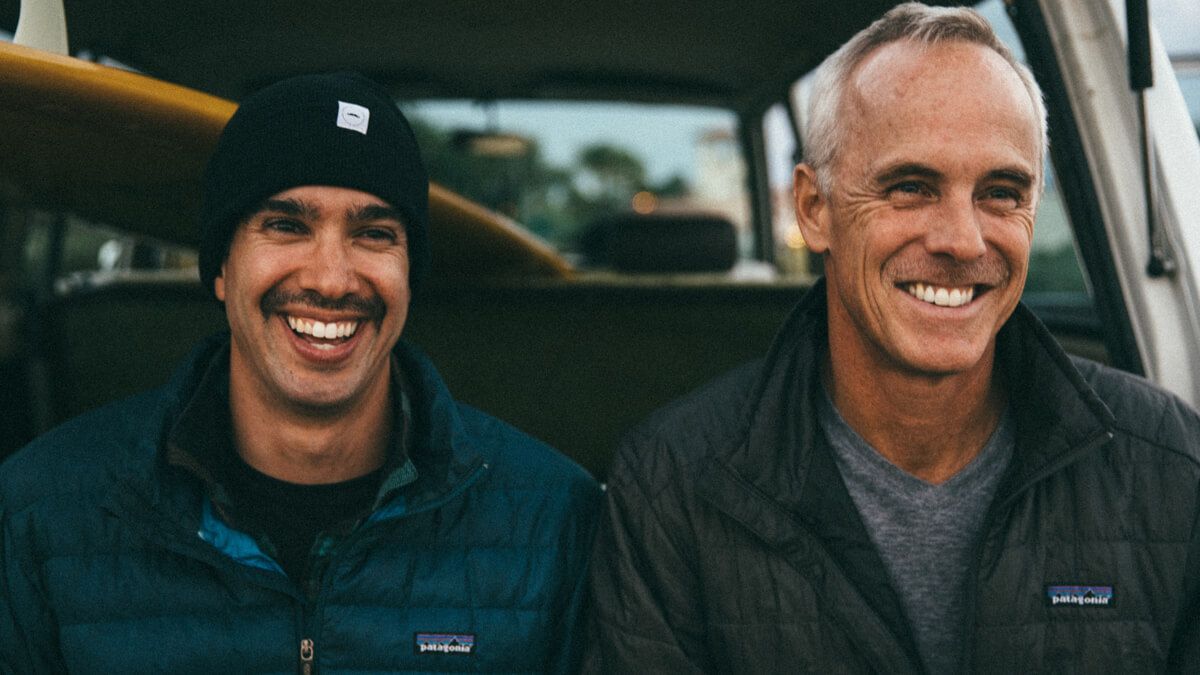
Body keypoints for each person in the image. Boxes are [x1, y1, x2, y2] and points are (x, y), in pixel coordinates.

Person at [585, 3, 1200, 672]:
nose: (963, 241)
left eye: (1001, 191)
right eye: (910, 187)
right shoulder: (670, 486)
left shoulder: (1171, 464)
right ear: (815, 209)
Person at [0, 72, 600, 672]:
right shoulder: (40, 513)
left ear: (410, 277)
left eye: (374, 234)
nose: (331, 279)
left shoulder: (554, 520)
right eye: (286, 225)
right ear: (221, 268)